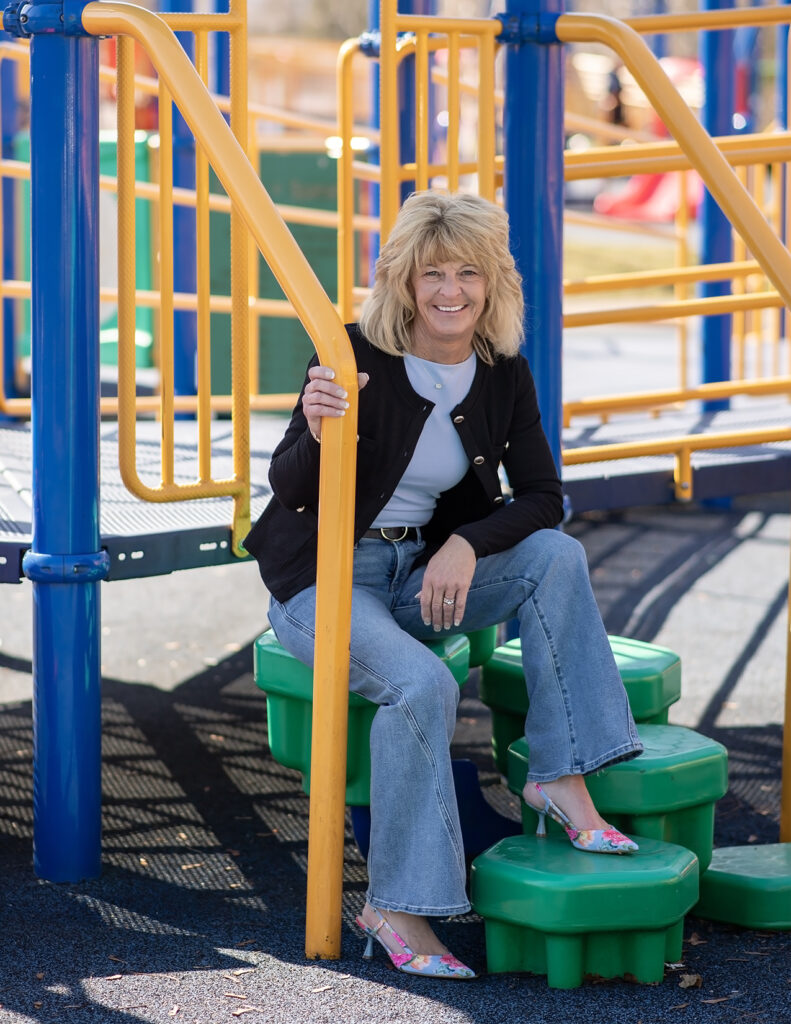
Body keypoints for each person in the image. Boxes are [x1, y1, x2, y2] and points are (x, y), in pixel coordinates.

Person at [244, 190, 643, 980]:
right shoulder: (353, 352)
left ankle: (560, 777)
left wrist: (463, 543)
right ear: (402, 281)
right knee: (421, 683)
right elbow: (288, 487)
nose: (450, 291)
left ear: (493, 282)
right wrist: (319, 428)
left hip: (423, 570)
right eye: (432, 273)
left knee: (554, 556)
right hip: (325, 580)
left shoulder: (501, 375)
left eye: (468, 271)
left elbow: (541, 498)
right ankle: (396, 907)